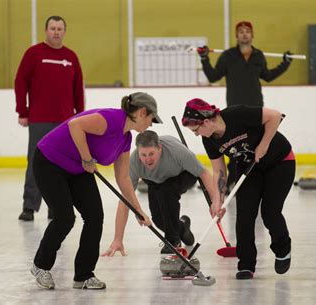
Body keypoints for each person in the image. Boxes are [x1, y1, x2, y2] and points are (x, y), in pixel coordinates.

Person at [30, 92, 160, 290]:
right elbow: (76, 125)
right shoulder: (112, 119)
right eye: (152, 119)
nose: (151, 124)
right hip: (50, 161)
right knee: (65, 218)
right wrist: (87, 158)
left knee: (94, 216)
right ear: (142, 112)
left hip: (78, 167)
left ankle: (83, 275)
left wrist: (137, 210)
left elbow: (123, 178)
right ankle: (41, 266)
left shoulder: (125, 139)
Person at [182, 98, 296, 280]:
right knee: (244, 215)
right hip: (248, 167)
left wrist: (263, 145)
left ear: (206, 121)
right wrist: (217, 201)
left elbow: (275, 116)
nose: (196, 134)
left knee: (270, 213)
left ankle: (283, 249)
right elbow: (219, 170)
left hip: (280, 162)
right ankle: (246, 265)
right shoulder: (209, 140)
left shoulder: (236, 114)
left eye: (196, 130)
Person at [197, 21, 293, 191]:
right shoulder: (227, 56)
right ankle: (233, 184)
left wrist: (285, 63)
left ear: (252, 35)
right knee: (235, 150)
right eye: (240, 31)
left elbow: (268, 76)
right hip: (235, 112)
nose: (244, 34)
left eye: (247, 31)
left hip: (256, 110)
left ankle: (259, 180)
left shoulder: (258, 56)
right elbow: (213, 77)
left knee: (257, 145)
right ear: (236, 35)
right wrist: (204, 58)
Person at [15, 15, 85, 221]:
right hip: (39, 119)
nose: (56, 32)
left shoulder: (71, 57)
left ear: (64, 31)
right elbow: (20, 82)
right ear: (46, 30)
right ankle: (29, 206)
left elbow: (77, 89)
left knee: (61, 165)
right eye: (52, 28)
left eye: (59, 28)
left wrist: (80, 116)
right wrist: (23, 111)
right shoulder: (33, 54)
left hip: (65, 122)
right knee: (36, 163)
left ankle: (56, 207)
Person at [102, 130, 216, 256]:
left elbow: (204, 173)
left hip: (183, 174)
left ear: (160, 148)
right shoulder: (134, 162)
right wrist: (118, 239)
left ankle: (173, 241)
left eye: (151, 154)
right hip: (155, 180)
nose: (147, 159)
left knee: (167, 191)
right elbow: (125, 200)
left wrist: (215, 202)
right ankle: (183, 227)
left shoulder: (177, 151)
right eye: (143, 155)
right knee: (158, 220)